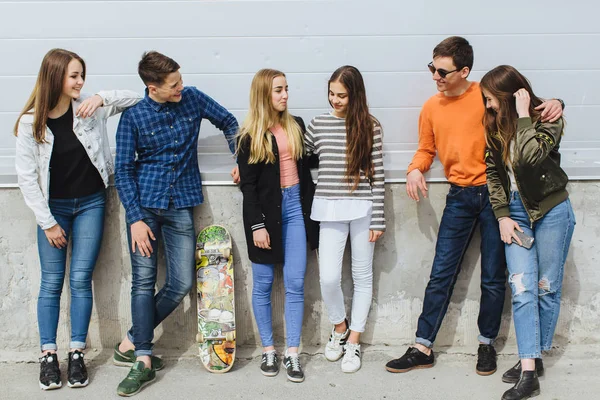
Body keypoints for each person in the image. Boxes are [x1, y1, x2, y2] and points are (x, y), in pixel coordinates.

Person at [385, 36, 564, 376]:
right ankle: (423, 346)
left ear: (464, 71)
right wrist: (413, 169)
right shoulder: (431, 107)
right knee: (441, 273)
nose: (435, 76)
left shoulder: (486, 94)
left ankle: (486, 344)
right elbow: (426, 149)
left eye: (442, 71)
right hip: (459, 196)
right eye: (432, 68)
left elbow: (529, 104)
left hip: (498, 197)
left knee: (494, 277)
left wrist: (559, 101)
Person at [14, 48, 141, 390]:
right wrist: (48, 222)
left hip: (90, 204)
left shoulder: (88, 109)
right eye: (74, 75)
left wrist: (100, 97)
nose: (80, 81)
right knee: (52, 282)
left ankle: (76, 354)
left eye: (82, 75)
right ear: (55, 76)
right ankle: (48, 356)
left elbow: (135, 97)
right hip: (53, 210)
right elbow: (27, 179)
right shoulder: (31, 122)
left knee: (81, 279)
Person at [114, 51, 238, 396]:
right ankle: (143, 359)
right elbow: (123, 170)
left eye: (180, 80)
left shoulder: (193, 98)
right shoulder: (134, 117)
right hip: (145, 208)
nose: (181, 87)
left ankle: (131, 339)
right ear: (153, 87)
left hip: (181, 203)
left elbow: (229, 122)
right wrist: (136, 218)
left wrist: (240, 158)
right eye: (173, 85)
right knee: (143, 281)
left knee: (182, 282)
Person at [481, 65, 575, 400]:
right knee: (521, 287)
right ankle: (529, 367)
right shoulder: (492, 126)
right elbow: (493, 173)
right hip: (517, 215)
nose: (488, 106)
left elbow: (530, 158)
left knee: (545, 287)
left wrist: (523, 117)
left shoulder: (549, 117)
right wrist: (503, 215)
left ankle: (531, 363)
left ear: (509, 96)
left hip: (552, 211)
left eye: (492, 100)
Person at [237, 68, 319, 383]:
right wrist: (258, 225)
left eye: (286, 88)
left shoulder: (295, 125)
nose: (285, 95)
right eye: (278, 90)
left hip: (296, 208)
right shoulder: (249, 137)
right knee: (263, 283)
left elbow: (306, 162)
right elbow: (249, 187)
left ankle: (292, 354)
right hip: (264, 216)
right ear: (263, 95)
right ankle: (269, 349)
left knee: (295, 283)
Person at [305, 65, 385, 373]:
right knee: (328, 277)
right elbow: (295, 154)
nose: (335, 101)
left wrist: (378, 219)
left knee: (363, 278)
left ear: (356, 96)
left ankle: (354, 341)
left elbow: (376, 177)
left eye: (342, 96)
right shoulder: (318, 124)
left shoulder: (371, 127)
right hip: (328, 208)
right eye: (331, 94)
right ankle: (339, 327)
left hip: (364, 208)